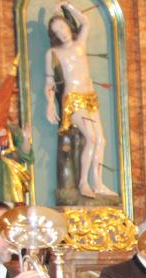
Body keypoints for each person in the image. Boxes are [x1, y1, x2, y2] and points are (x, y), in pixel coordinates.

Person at [45, 1, 117, 199]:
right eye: (56, 30)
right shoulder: (53, 53)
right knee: (91, 138)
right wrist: (50, 104)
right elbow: (49, 81)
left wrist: (68, 6)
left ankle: (99, 183)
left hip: (89, 96)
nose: (61, 31)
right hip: (73, 98)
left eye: (62, 26)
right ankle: (83, 182)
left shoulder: (79, 44)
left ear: (68, 26)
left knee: (100, 140)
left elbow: (85, 22)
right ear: (54, 35)